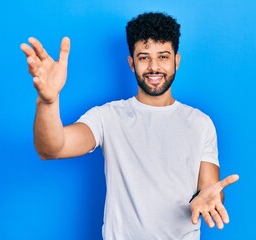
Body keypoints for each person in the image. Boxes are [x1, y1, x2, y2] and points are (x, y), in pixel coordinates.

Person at [20, 12, 239, 240]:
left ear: (177, 60)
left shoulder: (200, 123)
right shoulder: (108, 117)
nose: (154, 67)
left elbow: (209, 189)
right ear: (131, 63)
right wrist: (48, 101)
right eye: (144, 57)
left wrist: (210, 198)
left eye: (163, 57)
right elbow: (52, 148)